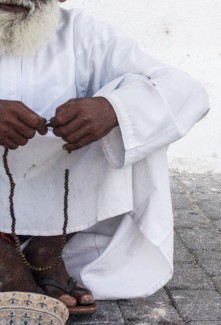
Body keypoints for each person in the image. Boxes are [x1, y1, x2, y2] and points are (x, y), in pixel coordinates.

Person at [0, 0, 209, 314]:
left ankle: (48, 247)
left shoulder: (80, 33)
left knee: (134, 102)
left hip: (62, 198)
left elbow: (186, 91)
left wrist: (113, 109)